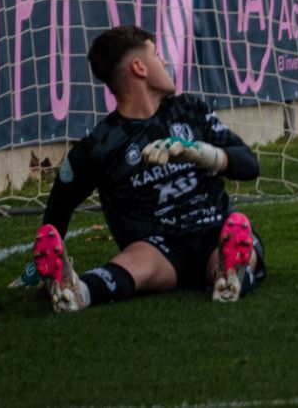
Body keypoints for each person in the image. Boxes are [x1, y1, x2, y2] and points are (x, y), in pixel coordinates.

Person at [32, 24, 265, 311]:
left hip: (215, 230)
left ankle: (228, 275)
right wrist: (38, 264)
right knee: (136, 260)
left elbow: (249, 165)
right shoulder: (100, 146)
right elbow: (60, 205)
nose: (164, 61)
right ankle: (75, 292)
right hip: (158, 249)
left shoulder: (190, 110)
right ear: (139, 67)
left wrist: (200, 154)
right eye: (157, 54)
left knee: (236, 241)